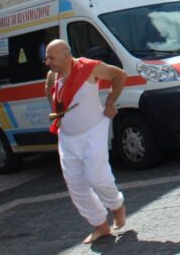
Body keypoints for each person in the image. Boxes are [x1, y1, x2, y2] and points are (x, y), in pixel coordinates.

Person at [44, 39, 127, 244]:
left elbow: (119, 75)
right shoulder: (52, 76)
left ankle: (117, 205)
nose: (47, 62)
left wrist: (109, 102)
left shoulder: (89, 67)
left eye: (51, 57)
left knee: (96, 176)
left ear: (66, 55)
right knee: (76, 186)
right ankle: (101, 226)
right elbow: (49, 92)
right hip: (67, 137)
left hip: (93, 131)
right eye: (46, 57)